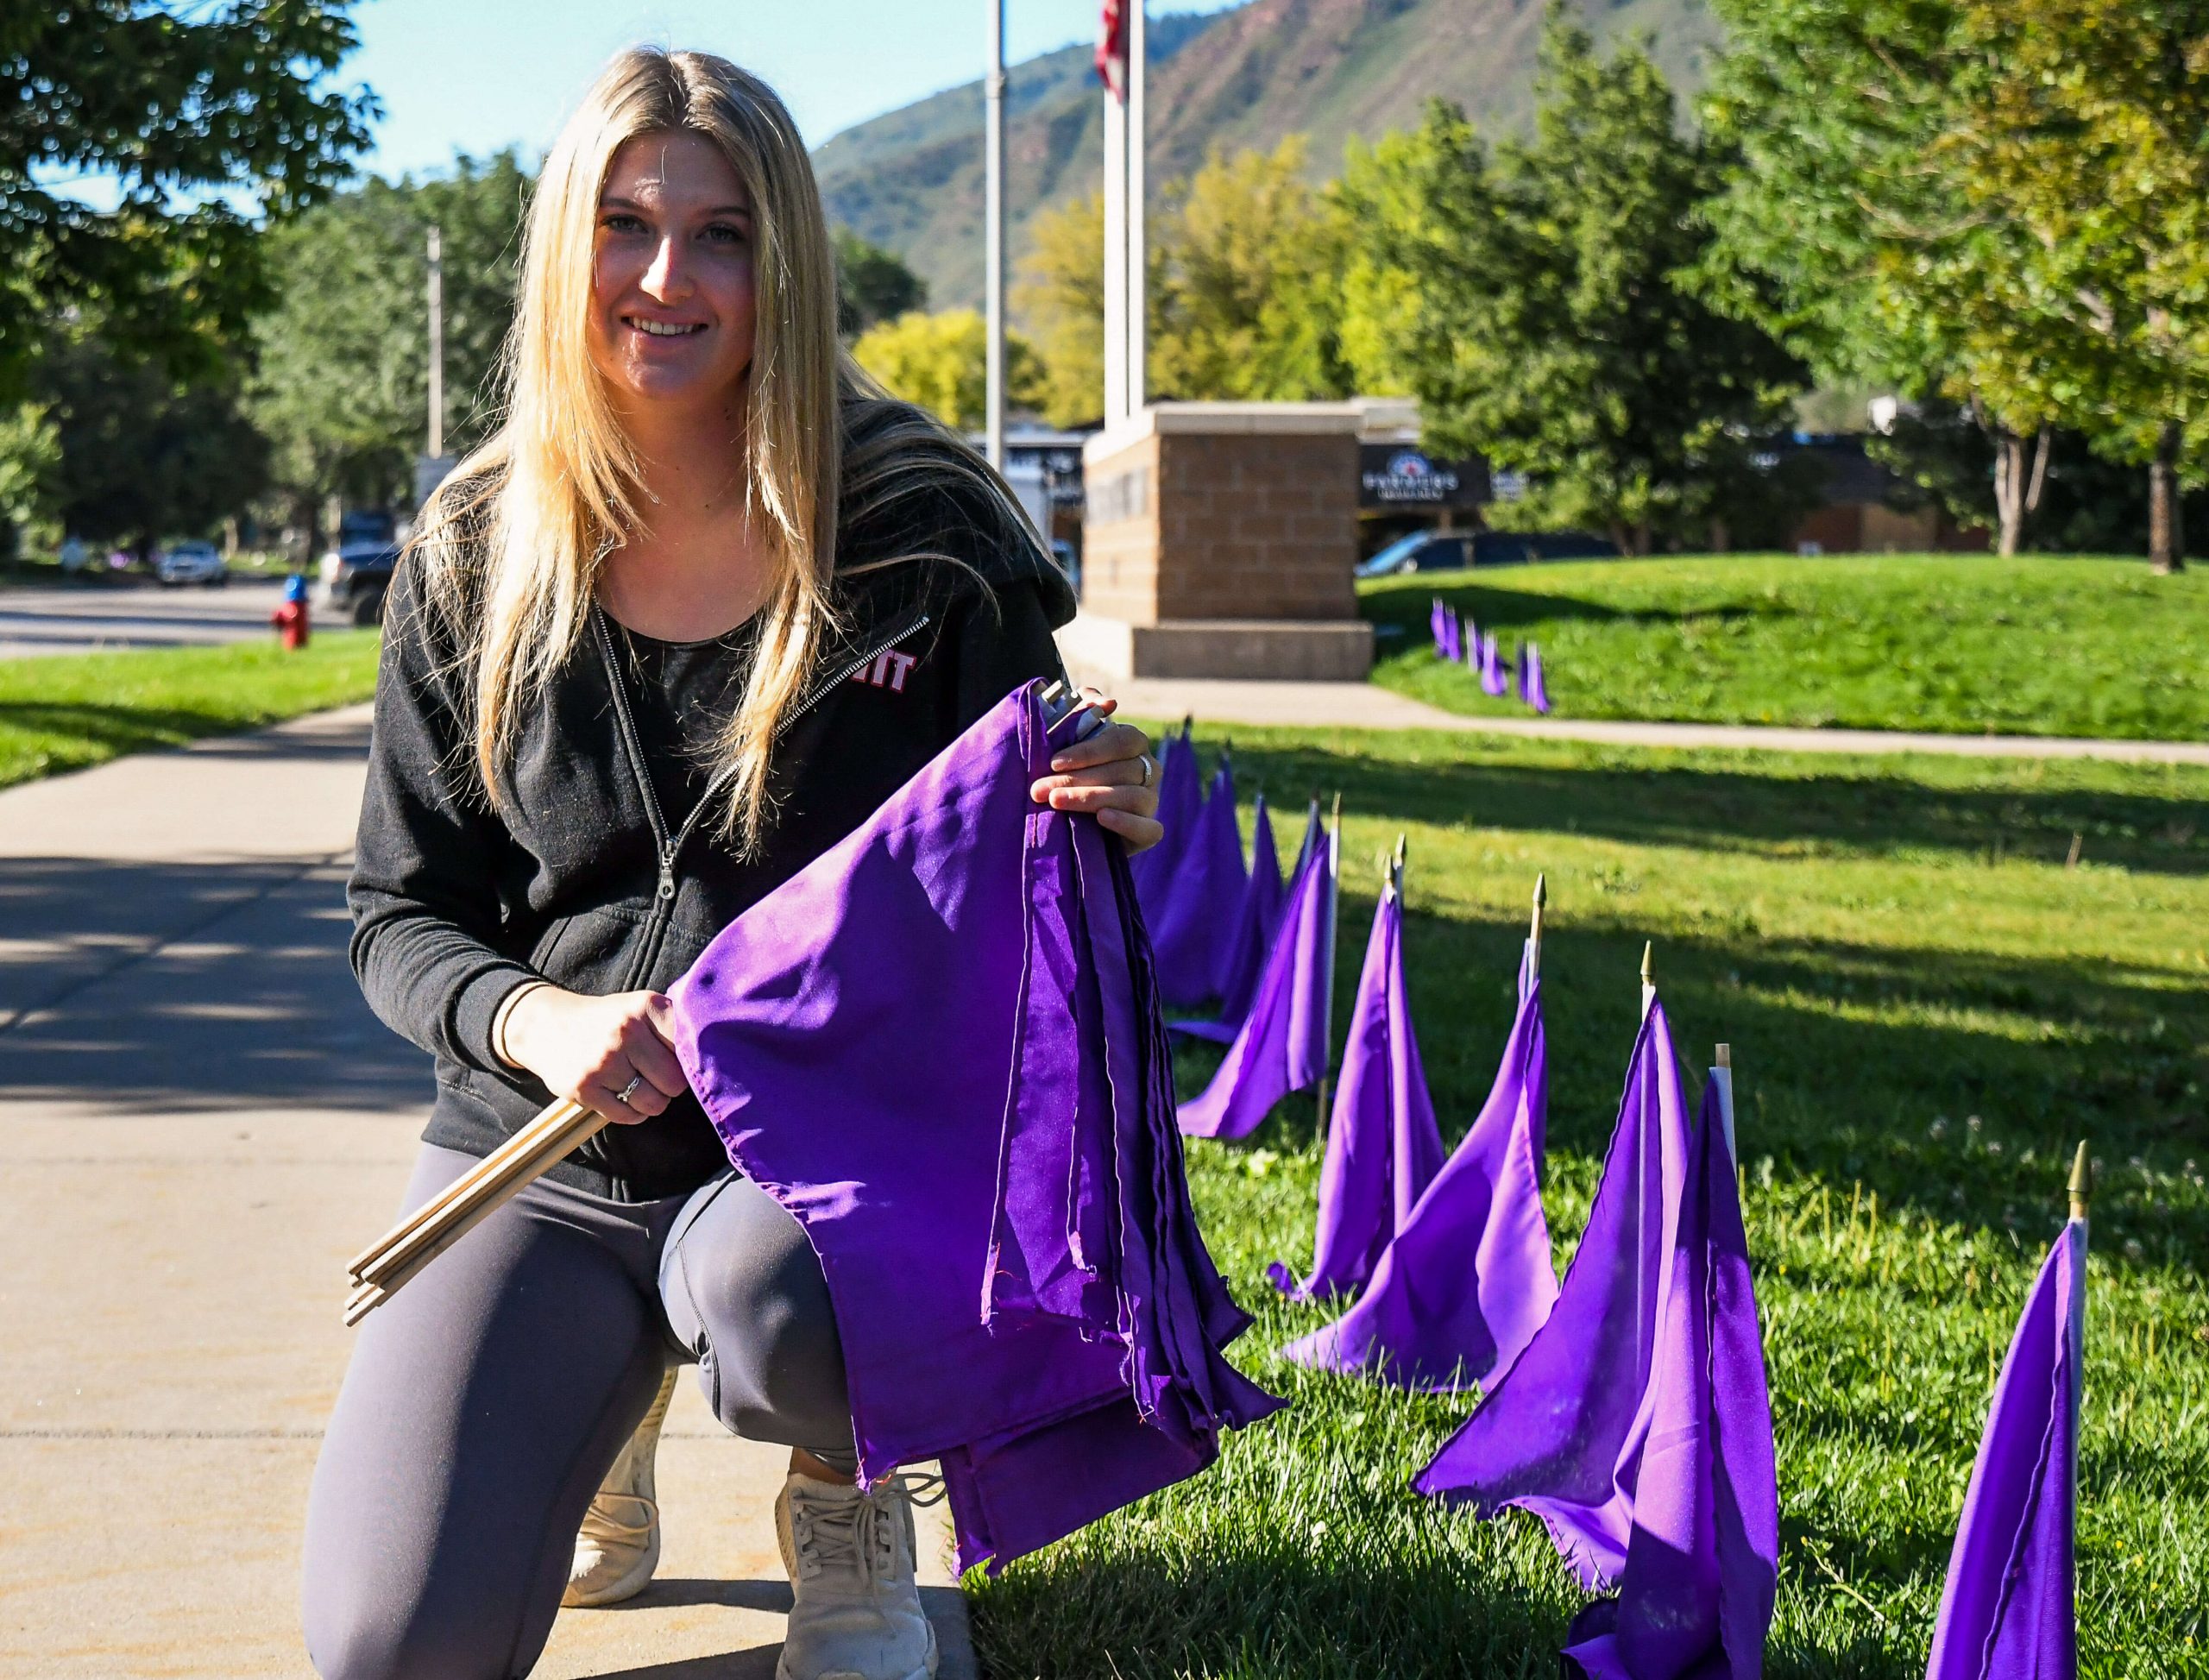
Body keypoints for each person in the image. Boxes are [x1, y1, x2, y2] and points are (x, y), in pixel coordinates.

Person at [300, 45, 1164, 1680]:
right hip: (545, 1154)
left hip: (819, 1161)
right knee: (384, 1650)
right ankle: (595, 1424)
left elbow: (1038, 851)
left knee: (784, 1317)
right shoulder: (475, 548)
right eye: (628, 224)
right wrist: (535, 1022)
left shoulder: (925, 532)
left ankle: (843, 1495)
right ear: (570, 245)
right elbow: (396, 912)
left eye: (724, 234)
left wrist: (1108, 803)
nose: (667, 276)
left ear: (789, 262)